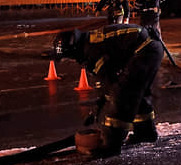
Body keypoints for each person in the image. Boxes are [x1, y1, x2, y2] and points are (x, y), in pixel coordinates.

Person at [51, 24, 164, 157]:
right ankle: (146, 133)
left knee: (122, 95)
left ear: (74, 50)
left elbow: (109, 84)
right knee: (136, 91)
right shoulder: (89, 42)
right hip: (151, 48)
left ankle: (112, 145)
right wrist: (99, 106)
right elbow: (108, 81)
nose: (73, 60)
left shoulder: (92, 51)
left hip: (146, 51)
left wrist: (98, 112)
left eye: (69, 56)